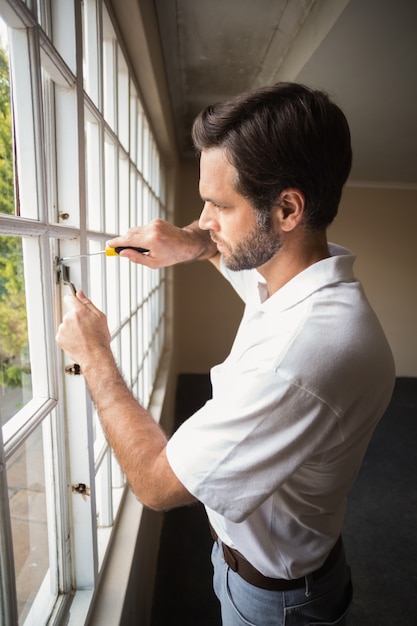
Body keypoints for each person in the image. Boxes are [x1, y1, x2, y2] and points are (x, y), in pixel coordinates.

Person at [56, 82, 395, 626]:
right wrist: (191, 242)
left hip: (274, 602)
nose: (204, 216)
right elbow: (222, 249)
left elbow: (156, 483)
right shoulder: (296, 282)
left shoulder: (298, 357)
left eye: (219, 204)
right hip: (273, 567)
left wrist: (93, 356)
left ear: (287, 208)